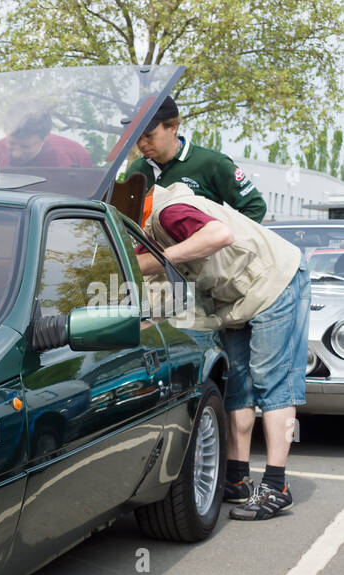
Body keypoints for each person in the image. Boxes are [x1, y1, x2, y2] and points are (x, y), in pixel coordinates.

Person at [137, 182, 309, 519]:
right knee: (238, 383)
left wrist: (157, 259)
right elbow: (165, 300)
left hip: (275, 281)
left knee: (272, 383)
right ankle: (237, 478)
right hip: (236, 299)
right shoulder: (148, 231)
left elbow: (219, 235)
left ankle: (277, 487)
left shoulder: (168, 212)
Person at [127, 96, 266, 223]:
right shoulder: (137, 170)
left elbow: (255, 207)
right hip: (148, 250)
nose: (141, 144)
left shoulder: (213, 163)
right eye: (137, 136)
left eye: (149, 135)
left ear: (173, 127)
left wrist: (222, 242)